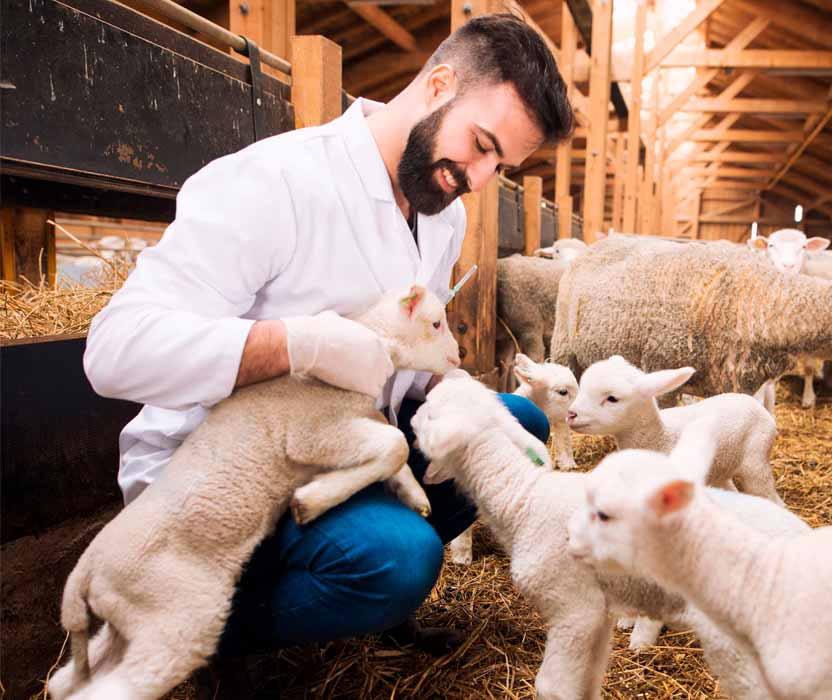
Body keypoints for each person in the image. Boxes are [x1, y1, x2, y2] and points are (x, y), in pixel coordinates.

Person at [82, 11, 574, 685]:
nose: (482, 178)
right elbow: (114, 350)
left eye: (502, 164)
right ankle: (167, 626)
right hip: (225, 481)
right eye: (481, 145)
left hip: (337, 444)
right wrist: (295, 344)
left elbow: (400, 365)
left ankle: (351, 601)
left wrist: (444, 387)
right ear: (437, 85)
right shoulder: (275, 181)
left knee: (517, 424)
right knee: (398, 559)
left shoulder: (442, 211)